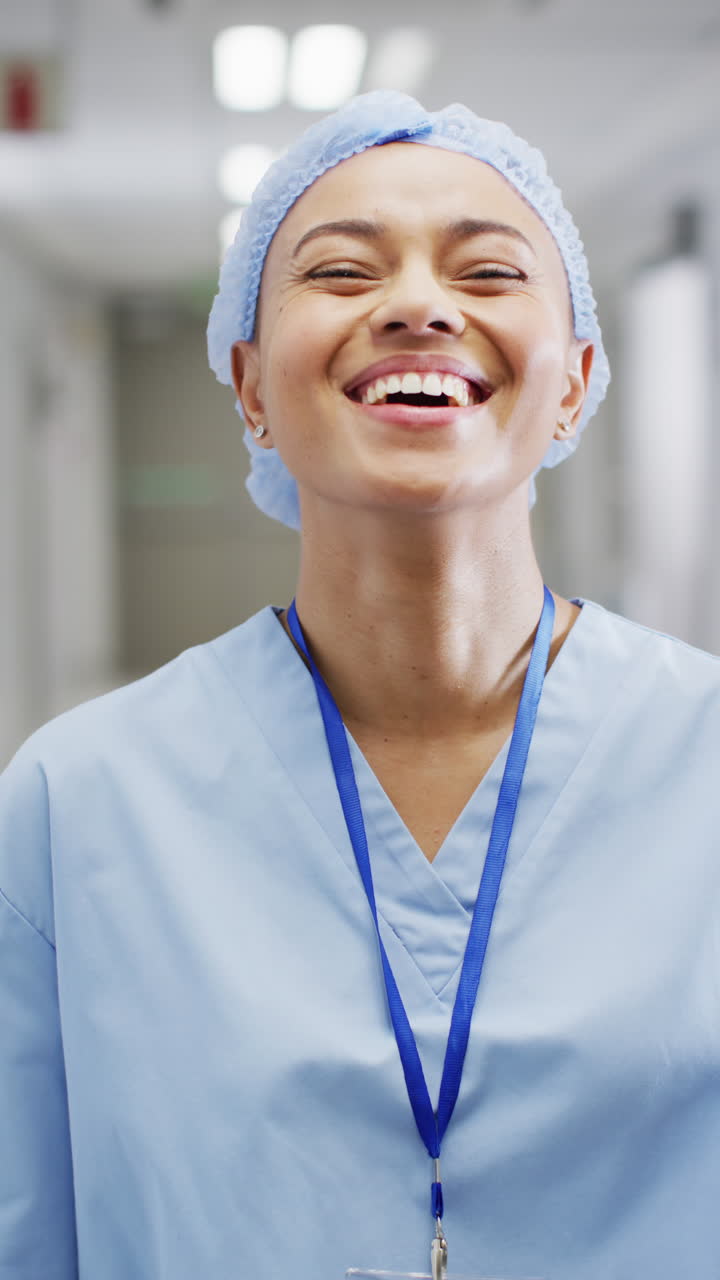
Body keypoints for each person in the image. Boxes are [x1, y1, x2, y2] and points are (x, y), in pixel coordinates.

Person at [1, 91, 719, 1280]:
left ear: (579, 380)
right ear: (249, 386)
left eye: (489, 272)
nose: (420, 305)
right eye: (340, 270)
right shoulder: (75, 808)